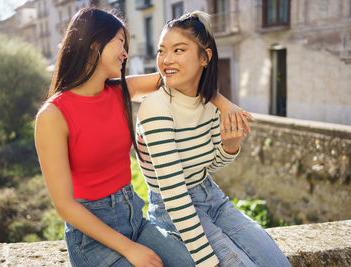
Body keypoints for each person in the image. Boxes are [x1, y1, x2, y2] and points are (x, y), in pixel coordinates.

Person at [34, 8, 250, 267]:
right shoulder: (53, 115)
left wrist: (224, 104)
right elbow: (65, 206)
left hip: (136, 219)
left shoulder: (120, 91)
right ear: (94, 45)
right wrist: (130, 249)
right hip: (92, 238)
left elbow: (183, 76)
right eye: (120, 42)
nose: (125, 53)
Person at [136, 11, 291, 267]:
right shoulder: (155, 108)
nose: (165, 59)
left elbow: (208, 165)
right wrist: (209, 262)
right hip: (173, 208)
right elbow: (174, 194)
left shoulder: (209, 104)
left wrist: (231, 145)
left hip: (212, 197)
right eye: (162, 51)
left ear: (205, 57)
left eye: (178, 50)